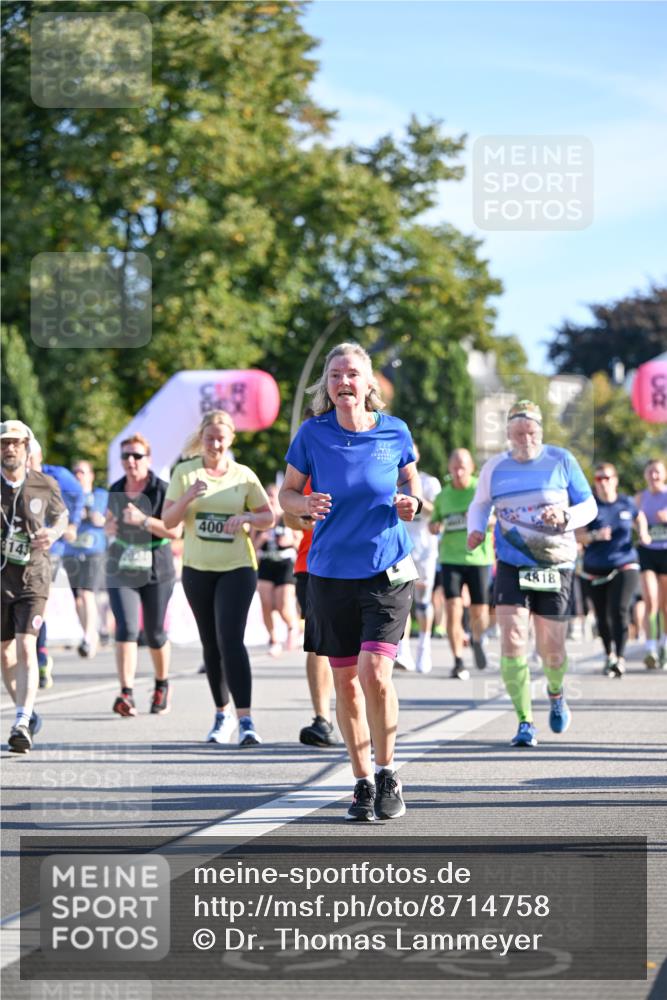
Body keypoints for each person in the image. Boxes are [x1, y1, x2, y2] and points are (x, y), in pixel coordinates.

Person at [280, 342, 421, 821]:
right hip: (329, 573)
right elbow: (286, 495)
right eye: (336, 374)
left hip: (385, 570)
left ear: (368, 384)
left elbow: (411, 485)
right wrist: (303, 506)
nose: (345, 381)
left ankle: (388, 771)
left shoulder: (395, 431)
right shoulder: (311, 434)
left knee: (375, 674)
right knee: (345, 682)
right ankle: (361, 782)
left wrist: (412, 504)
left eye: (353, 374)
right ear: (328, 384)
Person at [467, 400, 597, 747]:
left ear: (541, 432)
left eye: (532, 432)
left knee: (551, 648)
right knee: (512, 639)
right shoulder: (495, 467)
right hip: (512, 561)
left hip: (556, 562)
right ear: (508, 434)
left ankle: (555, 692)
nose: (526, 438)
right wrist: (476, 529)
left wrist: (567, 516)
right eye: (519, 433)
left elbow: (589, 505)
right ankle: (525, 720)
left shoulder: (561, 460)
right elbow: (480, 504)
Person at [162, 410, 274, 746]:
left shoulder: (242, 475)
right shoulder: (185, 472)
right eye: (209, 438)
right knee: (210, 643)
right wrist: (187, 497)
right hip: (198, 569)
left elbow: (268, 516)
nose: (215, 444)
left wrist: (244, 517)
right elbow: (168, 522)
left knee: (230, 639)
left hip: (237, 567)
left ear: (230, 440)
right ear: (202, 438)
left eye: (221, 438)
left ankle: (247, 720)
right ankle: (221, 714)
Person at [1, 420, 68, 752]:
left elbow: (62, 517)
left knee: (27, 646)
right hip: (1, 581)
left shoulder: (45, 484)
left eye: (15, 443)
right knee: (5, 652)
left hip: (34, 578)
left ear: (27, 448)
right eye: (3, 443)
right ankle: (24, 709)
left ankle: (21, 721)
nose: (9, 448)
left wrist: (52, 534)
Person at [106, 433, 180, 717]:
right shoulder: (116, 488)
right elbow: (109, 525)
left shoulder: (161, 489)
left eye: (137, 456)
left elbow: (175, 532)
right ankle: (126, 693)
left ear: (148, 459)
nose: (131, 461)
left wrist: (144, 520)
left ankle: (162, 684)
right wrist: (109, 528)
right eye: (126, 456)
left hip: (156, 565)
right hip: (122, 565)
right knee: (125, 627)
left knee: (155, 632)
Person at [283, 435, 338, 748]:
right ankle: (322, 719)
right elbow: (288, 514)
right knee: (318, 644)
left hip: (355, 564)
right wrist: (306, 514)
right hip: (311, 564)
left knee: (357, 646)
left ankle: (361, 715)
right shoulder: (303, 466)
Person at [578, 463, 650, 677]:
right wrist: (594, 536)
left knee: (619, 610)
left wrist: (643, 533)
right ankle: (608, 654)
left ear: (615, 480)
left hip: (625, 564)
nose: (604, 482)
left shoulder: (626, 502)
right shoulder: (589, 506)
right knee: (602, 615)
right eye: (599, 479)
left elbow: (640, 517)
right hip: (595, 568)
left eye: (607, 478)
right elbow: (578, 535)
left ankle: (620, 657)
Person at [430, 448, 494, 679]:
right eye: (454, 467)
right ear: (449, 468)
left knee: (480, 611)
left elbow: (496, 518)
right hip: (450, 558)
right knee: (453, 609)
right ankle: (457, 660)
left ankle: (477, 639)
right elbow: (434, 522)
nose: (458, 472)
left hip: (478, 558)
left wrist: (481, 520)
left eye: (462, 468)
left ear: (471, 469)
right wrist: (434, 526)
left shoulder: (481, 490)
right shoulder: (443, 495)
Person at [29, 441, 84, 688]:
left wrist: (72, 525)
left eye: (30, 455)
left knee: (35, 602)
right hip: (16, 553)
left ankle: (40, 657)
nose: (25, 460)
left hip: (50, 550)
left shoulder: (57, 475)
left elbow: (79, 495)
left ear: (39, 456)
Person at [394, 442, 441, 674]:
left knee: (423, 601)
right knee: (402, 598)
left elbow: (437, 511)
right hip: (400, 548)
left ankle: (424, 645)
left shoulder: (429, 482)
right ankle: (403, 651)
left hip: (425, 550)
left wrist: (415, 501)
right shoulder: (387, 478)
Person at [62, 460, 109, 658]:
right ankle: (89, 634)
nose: (78, 476)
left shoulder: (100, 495)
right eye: (75, 472)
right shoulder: (68, 497)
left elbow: (105, 520)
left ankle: (88, 639)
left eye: (82, 472)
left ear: (91, 475)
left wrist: (93, 515)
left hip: (94, 551)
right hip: (71, 552)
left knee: (87, 593)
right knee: (78, 600)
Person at [253, 483, 301, 657]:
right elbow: (251, 546)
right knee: (266, 603)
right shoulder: (261, 520)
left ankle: (292, 626)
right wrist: (261, 539)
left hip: (285, 564)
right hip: (266, 562)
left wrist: (289, 542)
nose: (271, 500)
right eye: (268, 497)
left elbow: (300, 544)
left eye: (274, 496)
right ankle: (273, 640)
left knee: (282, 605)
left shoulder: (288, 518)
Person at [635, 458, 667, 669]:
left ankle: (664, 643)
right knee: (650, 600)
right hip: (647, 552)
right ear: (645, 475)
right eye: (650, 472)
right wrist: (641, 529)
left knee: (666, 604)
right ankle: (650, 647)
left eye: (657, 472)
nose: (654, 476)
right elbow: (634, 519)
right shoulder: (640, 498)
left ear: (664, 474)